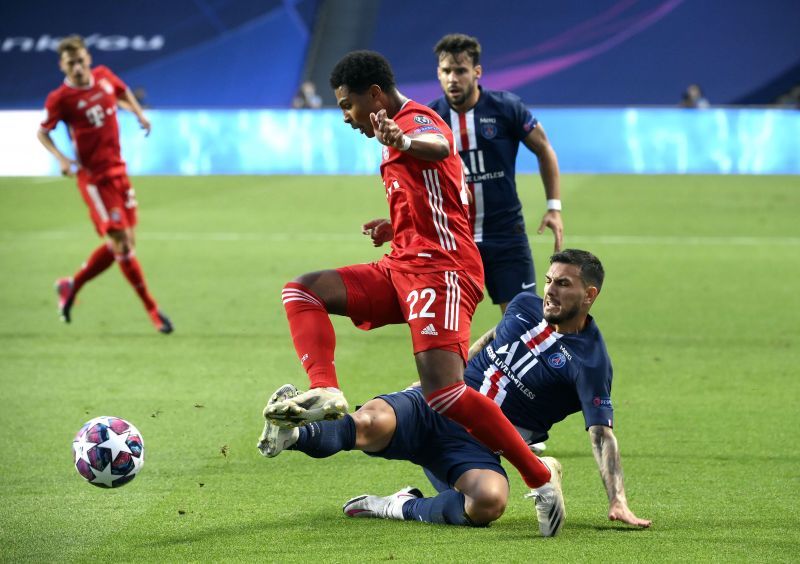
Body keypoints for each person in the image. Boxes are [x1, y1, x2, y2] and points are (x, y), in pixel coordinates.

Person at [263, 50, 557, 504]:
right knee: (302, 290)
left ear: (375, 94)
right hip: (404, 263)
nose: (345, 116)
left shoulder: (416, 121)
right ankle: (324, 387)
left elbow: (438, 146)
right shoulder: (391, 129)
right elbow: (433, 191)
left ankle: (539, 478)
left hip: (444, 272)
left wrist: (402, 141)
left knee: (444, 395)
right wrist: (394, 225)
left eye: (347, 104)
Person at [259, 249, 651, 535]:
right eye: (549, 280)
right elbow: (492, 337)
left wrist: (617, 501)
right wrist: (443, 377)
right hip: (439, 405)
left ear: (589, 295)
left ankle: (396, 506)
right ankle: (291, 433)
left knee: (490, 502)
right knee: (367, 423)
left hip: (478, 449)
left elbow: (601, 434)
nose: (550, 290)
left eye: (563, 284)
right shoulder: (525, 305)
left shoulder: (592, 362)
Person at [37, 35, 172, 333]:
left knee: (124, 246)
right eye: (70, 63)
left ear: (88, 58)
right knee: (121, 242)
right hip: (94, 179)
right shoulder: (60, 99)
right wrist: (61, 159)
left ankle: (70, 285)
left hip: (118, 172)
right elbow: (43, 133)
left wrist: (138, 113)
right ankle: (152, 309)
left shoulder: (104, 77)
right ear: (63, 65)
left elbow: (122, 94)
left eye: (81, 60)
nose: (78, 67)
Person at [429, 34, 563, 313]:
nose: (453, 78)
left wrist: (554, 207)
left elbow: (544, 149)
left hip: (505, 235)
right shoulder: (430, 118)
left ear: (477, 72)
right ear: (438, 74)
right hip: (452, 238)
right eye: (446, 71)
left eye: (461, 71)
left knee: (523, 323)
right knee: (446, 326)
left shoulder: (506, 108)